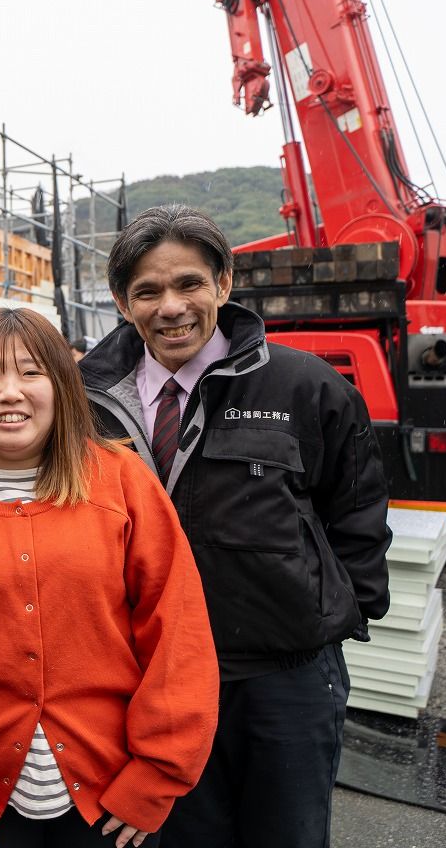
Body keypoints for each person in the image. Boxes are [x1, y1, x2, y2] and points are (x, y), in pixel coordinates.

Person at [79, 204, 391, 848]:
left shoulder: (306, 386)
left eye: (189, 283)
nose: (171, 307)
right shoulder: (88, 401)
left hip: (284, 677)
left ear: (223, 284)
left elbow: (357, 512)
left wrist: (331, 613)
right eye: (147, 291)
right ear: (120, 301)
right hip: (148, 678)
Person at [0, 307, 219, 848]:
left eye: (32, 372)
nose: (10, 392)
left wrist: (157, 776)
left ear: (62, 387)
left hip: (110, 801)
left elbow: (177, 633)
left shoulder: (122, 480)